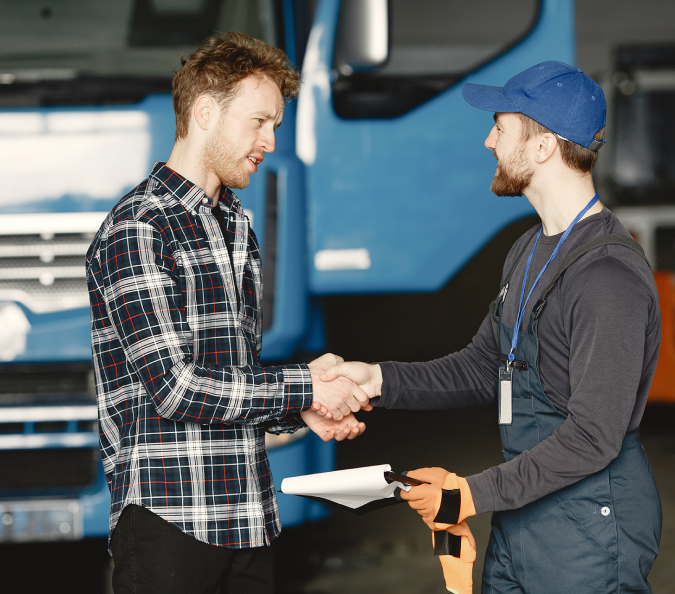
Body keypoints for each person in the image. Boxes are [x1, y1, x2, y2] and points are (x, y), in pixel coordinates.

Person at [320, 62, 662, 593]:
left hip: (591, 534)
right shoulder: (528, 250)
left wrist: (466, 496)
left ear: (545, 145)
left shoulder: (607, 278)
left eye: (500, 127)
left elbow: (595, 436)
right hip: (523, 513)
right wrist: (376, 380)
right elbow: (485, 366)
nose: (487, 141)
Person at [86, 32, 369, 594]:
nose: (269, 140)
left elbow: (229, 379)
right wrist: (305, 388)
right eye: (259, 121)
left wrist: (297, 414)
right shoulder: (138, 228)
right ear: (206, 112)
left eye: (276, 127)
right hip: (170, 520)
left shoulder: (235, 223)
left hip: (248, 516)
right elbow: (175, 388)